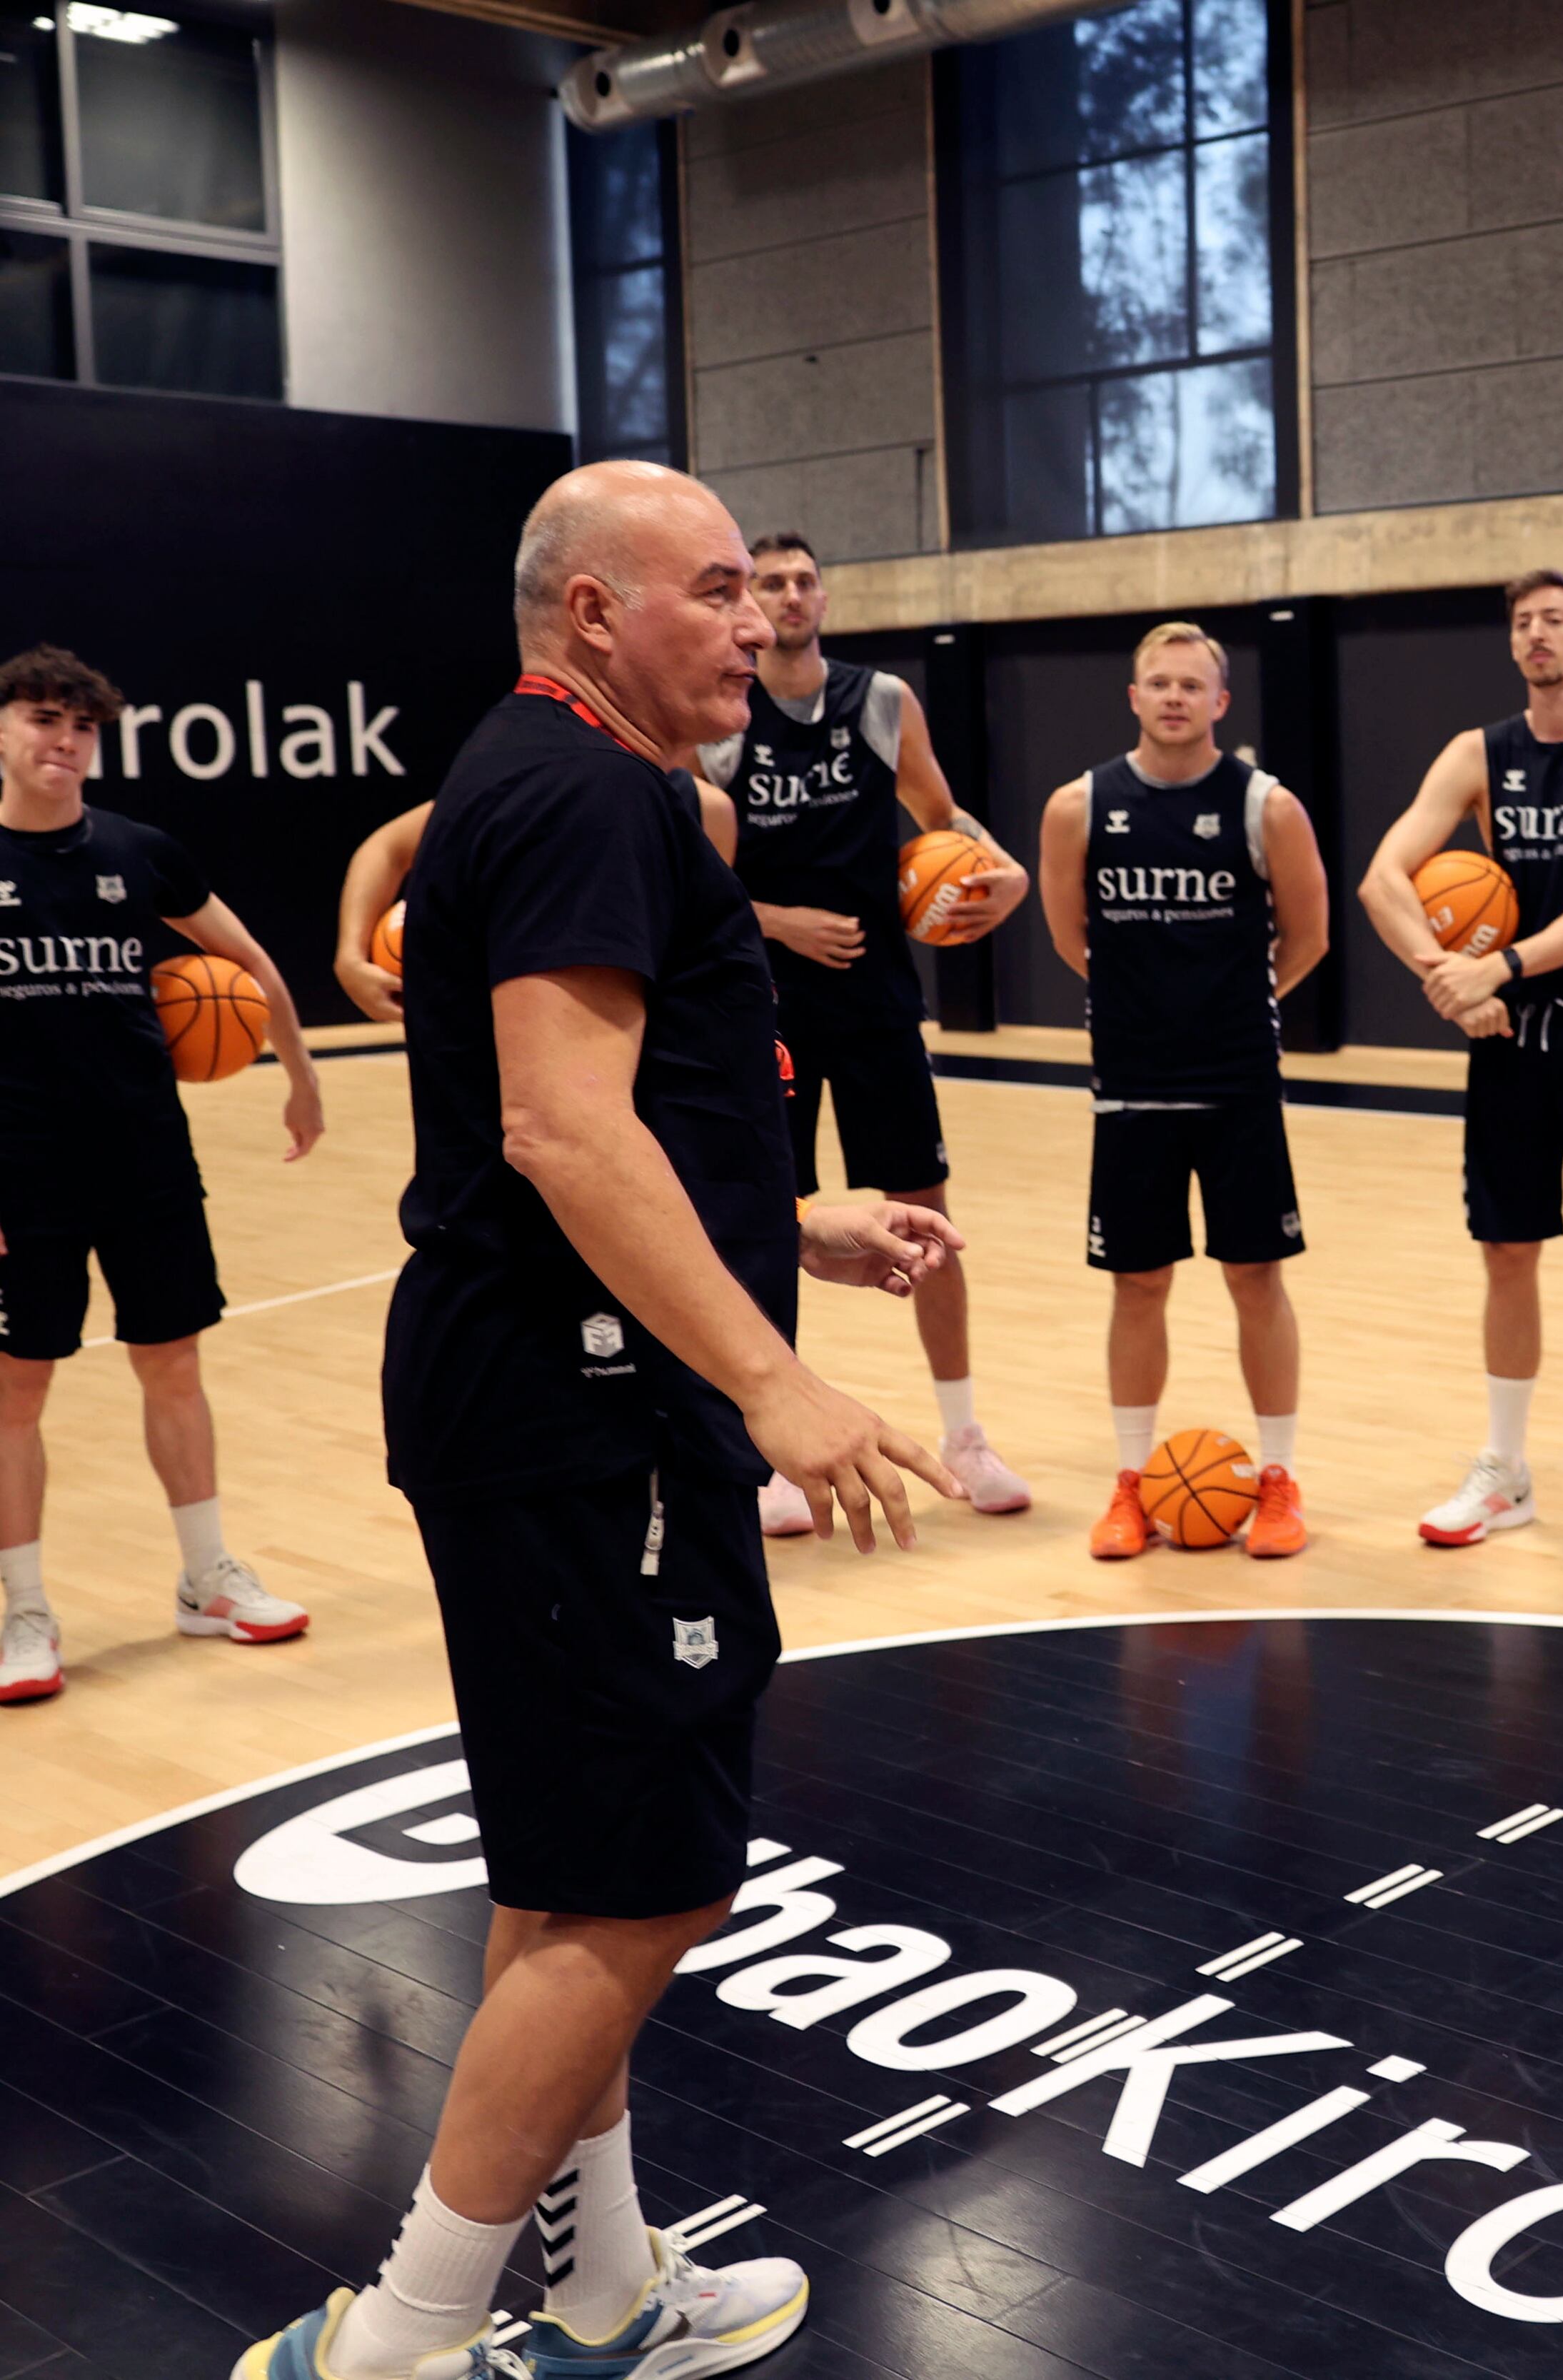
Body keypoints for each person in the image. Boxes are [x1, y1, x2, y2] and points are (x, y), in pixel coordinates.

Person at [236, 461, 963, 2380]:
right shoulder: (577, 789)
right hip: (586, 1414)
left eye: (755, 592)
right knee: (645, 1886)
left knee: (577, 1873)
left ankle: (607, 2277)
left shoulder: (572, 776)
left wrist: (790, 1217)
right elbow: (560, 1129)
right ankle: (401, 2334)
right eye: (716, 589)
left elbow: (581, 1114)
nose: (756, 620)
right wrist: (774, 1368)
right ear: (592, 613)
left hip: (550, 1390)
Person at [0, 643, 324, 1706]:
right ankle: (23, 1614)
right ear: (3, 730)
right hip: (20, 1174)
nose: (64, 742)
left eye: (82, 726)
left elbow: (255, 964)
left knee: (172, 1360)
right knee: (16, 1390)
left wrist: (302, 1074)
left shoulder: (141, 851)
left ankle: (207, 1576)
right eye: (44, 720)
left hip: (144, 1156)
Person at [698, 531, 1033, 1531]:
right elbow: (687, 865)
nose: (791, 595)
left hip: (880, 1002)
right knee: (772, 1222)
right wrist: (777, 919)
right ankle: (773, 1448)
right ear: (748, 604)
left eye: (805, 579)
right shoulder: (721, 712)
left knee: (926, 1214)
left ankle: (966, 1433)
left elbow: (942, 819)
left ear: (825, 597)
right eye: (771, 583)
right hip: (766, 1008)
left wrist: (1002, 869)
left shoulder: (882, 701)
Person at [1358, 571, 1563, 1562]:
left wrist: (1495, 963)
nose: (1537, 635)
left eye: (1554, 620)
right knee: (1507, 1252)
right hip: (1504, 1038)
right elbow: (1382, 876)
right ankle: (1506, 1472)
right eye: (1521, 623)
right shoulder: (1478, 752)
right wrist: (1446, 975)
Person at [1036, 623, 1327, 1560]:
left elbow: (1311, 934)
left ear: (1220, 701)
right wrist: (1146, 1007)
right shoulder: (1078, 806)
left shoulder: (1266, 805)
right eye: (1156, 683)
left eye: (1190, 685)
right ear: (1132, 697)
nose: (1172, 697)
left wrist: (1232, 1004)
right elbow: (1069, 935)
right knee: (1137, 1282)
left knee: (1256, 1277)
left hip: (1239, 1077)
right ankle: (1130, 1482)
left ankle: (1278, 1477)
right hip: (1130, 1081)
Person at [334, 786, 738, 1023]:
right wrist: (351, 958)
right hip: (518, 1023)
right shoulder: (534, 784)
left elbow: (698, 946)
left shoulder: (706, 810)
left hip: (635, 1030)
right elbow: (387, 847)